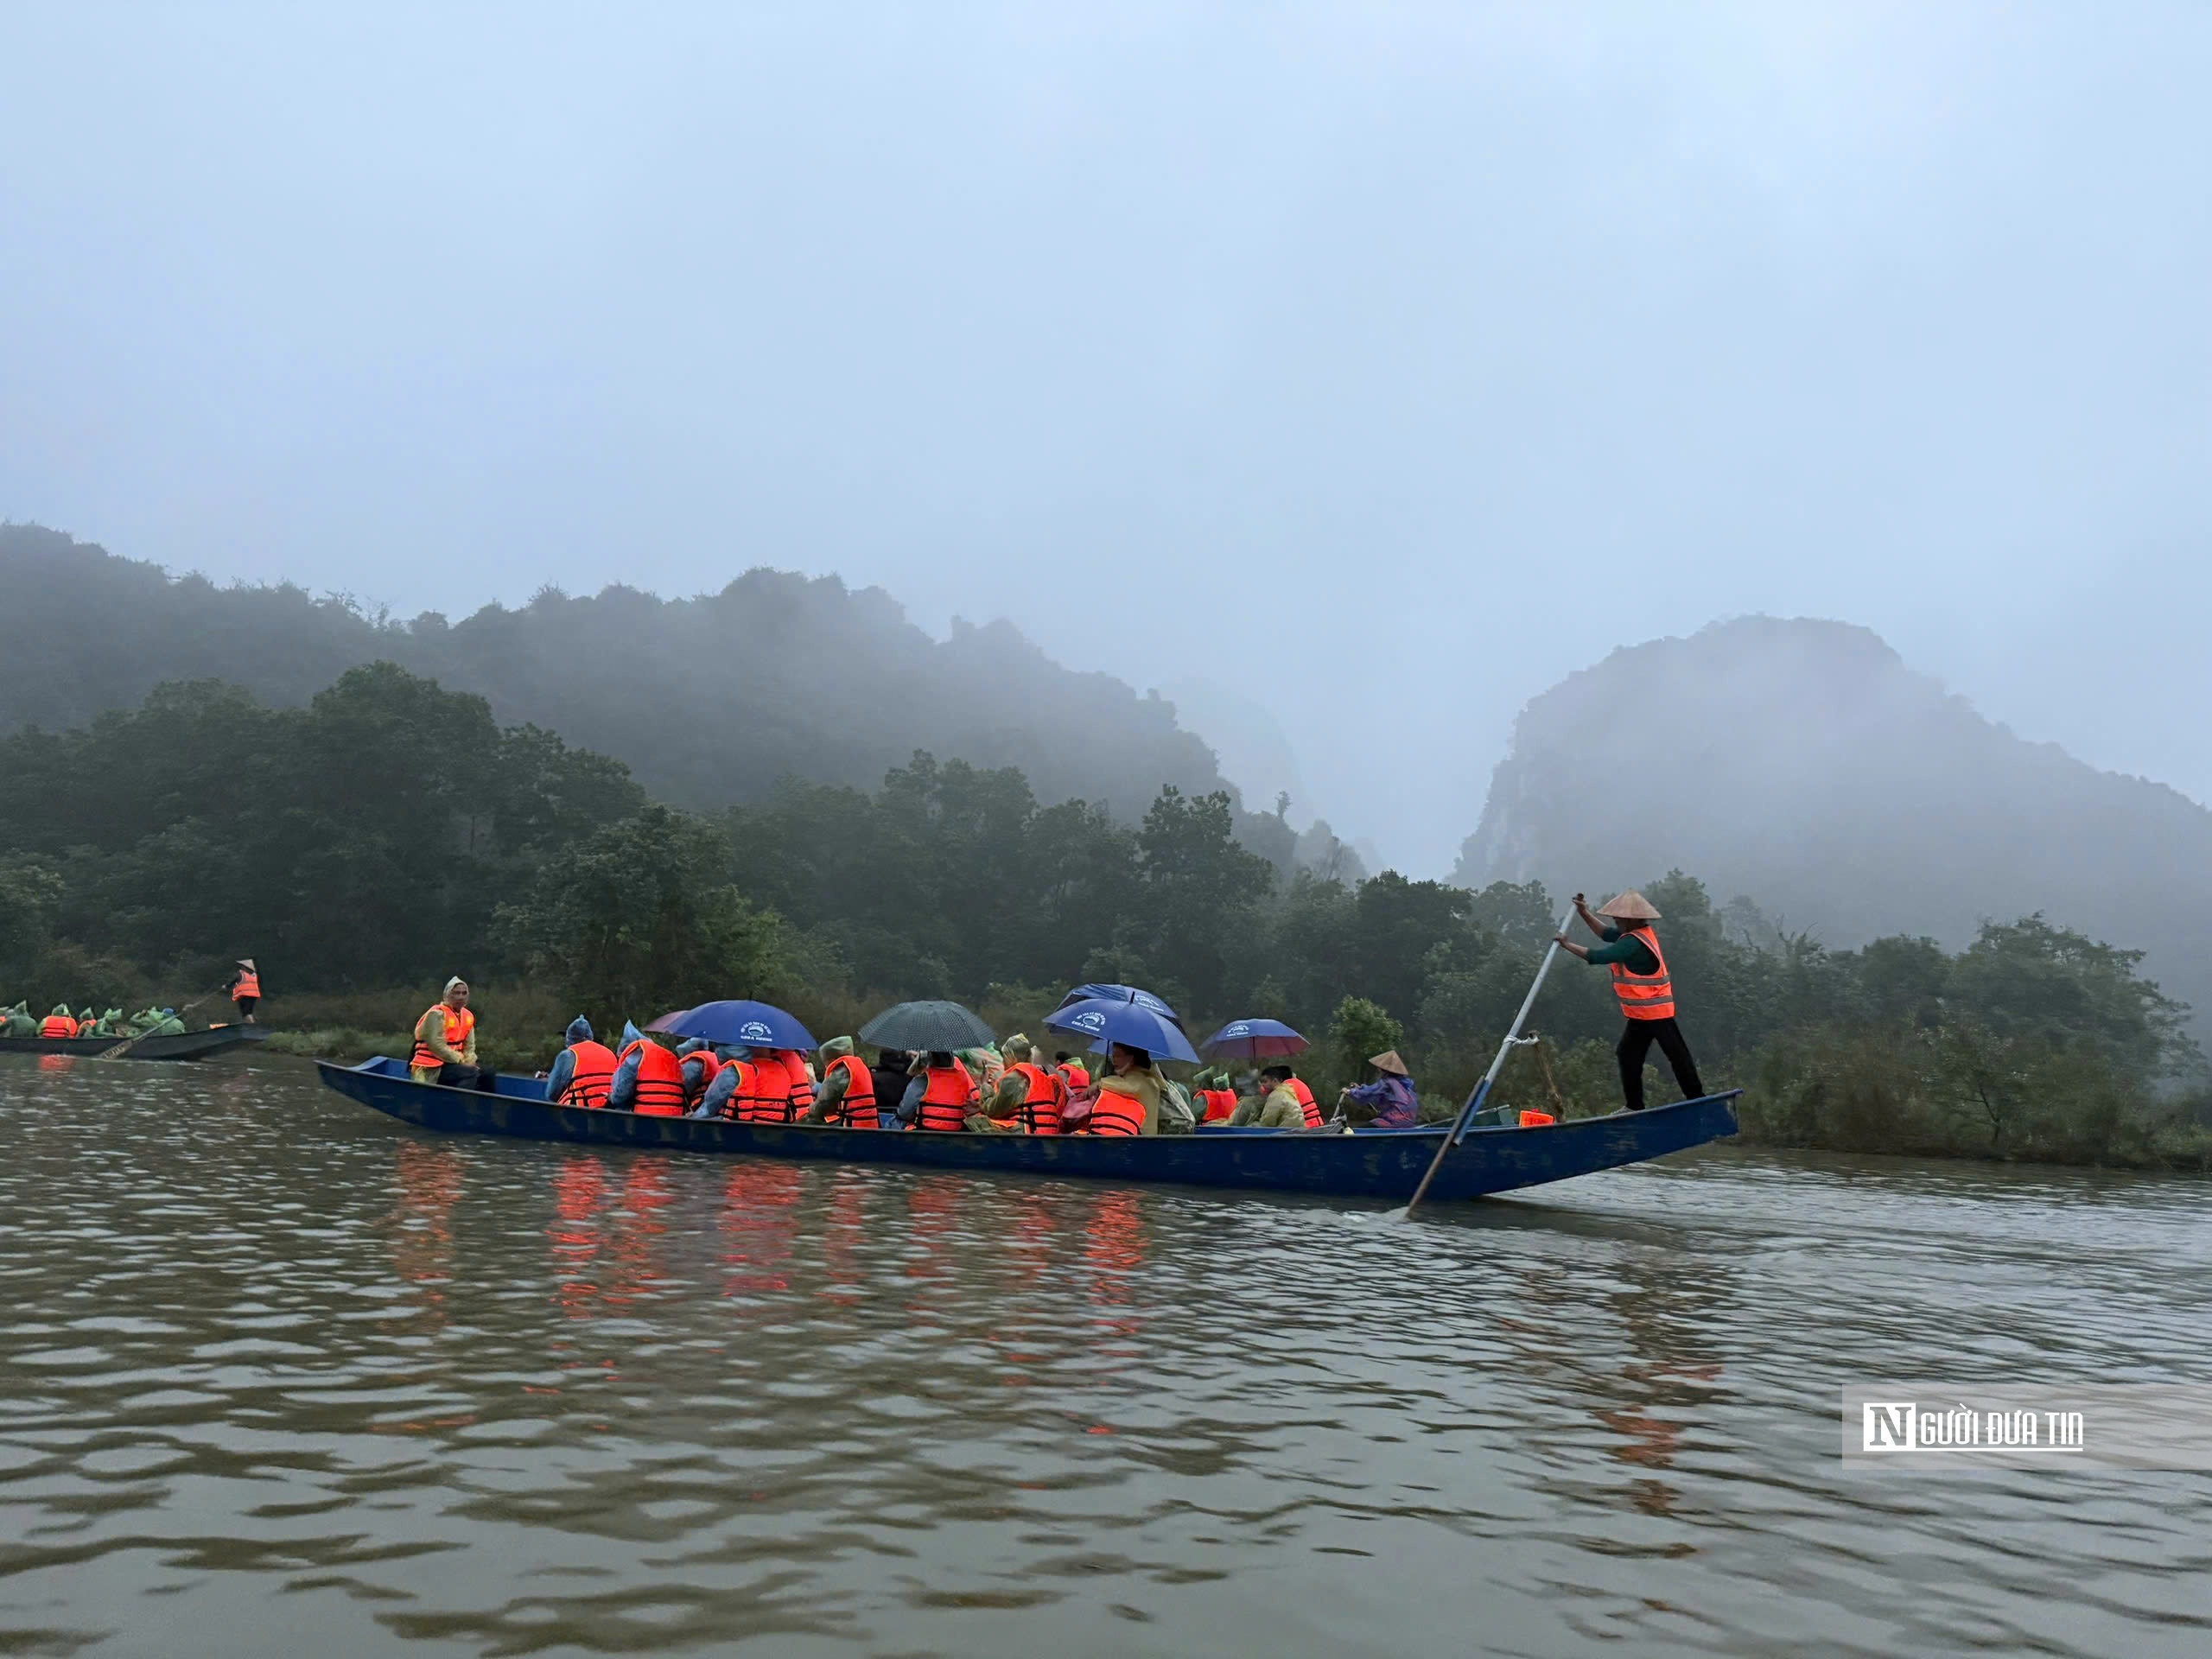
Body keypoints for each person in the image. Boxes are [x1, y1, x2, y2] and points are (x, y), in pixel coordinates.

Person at [1555, 888, 1707, 1112]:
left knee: (1677, 1055)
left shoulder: (1633, 943)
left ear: (1629, 920)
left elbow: (1600, 956)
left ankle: (1697, 1100)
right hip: (1641, 1015)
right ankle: (1634, 1106)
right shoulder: (1635, 934)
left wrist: (1566, 945)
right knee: (1628, 1054)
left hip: (1656, 1012)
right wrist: (1584, 912)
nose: (1615, 921)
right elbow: (1605, 934)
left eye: (1618, 918)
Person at [985, 1033, 1065, 1135]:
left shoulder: (1014, 1078)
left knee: (975, 1121)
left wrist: (985, 1087)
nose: (1003, 1062)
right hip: (1048, 1134)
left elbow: (993, 1111)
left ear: (1012, 1057)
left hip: (1028, 1136)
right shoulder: (1042, 1076)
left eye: (1004, 1057)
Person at [1079, 1041, 1161, 1136]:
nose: (1114, 1060)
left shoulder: (1141, 1081)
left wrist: (1099, 1084)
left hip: (1139, 1139)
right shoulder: (1146, 1078)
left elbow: (1128, 1087)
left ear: (1131, 1058)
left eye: (1117, 1056)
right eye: (1113, 1056)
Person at [410, 978, 479, 1084]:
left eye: (464, 993)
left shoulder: (467, 1016)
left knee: (487, 1073)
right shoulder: (436, 1014)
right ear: (448, 995)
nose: (461, 997)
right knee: (470, 1073)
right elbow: (435, 1044)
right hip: (432, 1066)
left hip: (452, 1064)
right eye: (456, 993)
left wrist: (469, 1060)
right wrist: (460, 1060)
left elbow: (469, 1045)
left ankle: (485, 1100)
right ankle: (460, 1099)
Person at [609, 1026, 688, 1116]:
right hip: (676, 1120)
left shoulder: (634, 1056)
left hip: (646, 1120)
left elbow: (621, 1095)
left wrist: (611, 1097)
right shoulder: (670, 1056)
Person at [803, 1036, 880, 1128]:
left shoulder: (841, 1071)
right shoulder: (858, 1066)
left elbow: (823, 1104)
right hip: (869, 1125)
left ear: (831, 1058)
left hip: (852, 1129)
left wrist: (809, 1109)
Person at [545, 1016, 617, 1109]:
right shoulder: (610, 1053)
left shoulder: (567, 1055)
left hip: (579, 1113)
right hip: (609, 1112)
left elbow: (551, 1093)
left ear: (569, 1038)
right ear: (591, 1036)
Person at [1340, 1050, 1421, 1128]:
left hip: (1395, 1121)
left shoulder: (1387, 1082)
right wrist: (1361, 1088)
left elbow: (1368, 1094)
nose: (1378, 1070)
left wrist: (1349, 1092)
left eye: (1379, 1069)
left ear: (1384, 1071)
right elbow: (1373, 1091)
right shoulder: (1403, 1084)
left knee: (1362, 1129)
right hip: (1409, 1122)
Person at [911, 1050, 982, 1131]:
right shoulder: (963, 1078)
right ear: (951, 1061)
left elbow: (905, 1113)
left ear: (930, 1059)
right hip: (955, 1132)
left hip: (925, 1131)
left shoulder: (923, 1079)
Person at [1231, 1065, 1312, 1128]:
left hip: (1286, 1133)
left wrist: (1251, 1125)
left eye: (1265, 1082)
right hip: (1298, 1130)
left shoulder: (1276, 1096)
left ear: (1275, 1081)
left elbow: (1267, 1122)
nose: (1262, 1085)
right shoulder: (1288, 1090)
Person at [678, 1039, 723, 1111]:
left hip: (698, 1110)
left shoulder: (694, 1062)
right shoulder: (717, 1058)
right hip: (718, 1111)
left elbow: (682, 1089)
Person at [226, 959, 262, 1023]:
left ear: (245, 967)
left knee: (245, 1013)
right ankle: (251, 1024)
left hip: (244, 995)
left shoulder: (241, 973)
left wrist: (226, 986)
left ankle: (252, 1024)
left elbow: (234, 980)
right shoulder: (254, 975)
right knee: (249, 1012)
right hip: (253, 996)